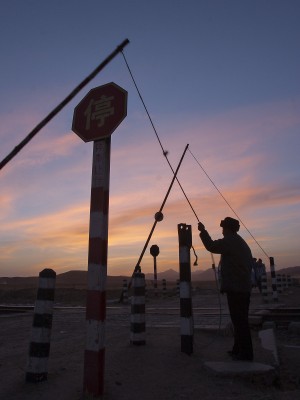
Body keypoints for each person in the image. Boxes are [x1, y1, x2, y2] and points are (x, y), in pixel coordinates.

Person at [198, 216, 254, 361]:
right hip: (242, 287)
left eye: (223, 228)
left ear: (228, 229)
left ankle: (246, 354)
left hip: (237, 289)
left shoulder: (230, 241)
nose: (222, 231)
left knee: (239, 321)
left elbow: (211, 246)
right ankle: (238, 349)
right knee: (239, 320)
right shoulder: (239, 242)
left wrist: (203, 232)